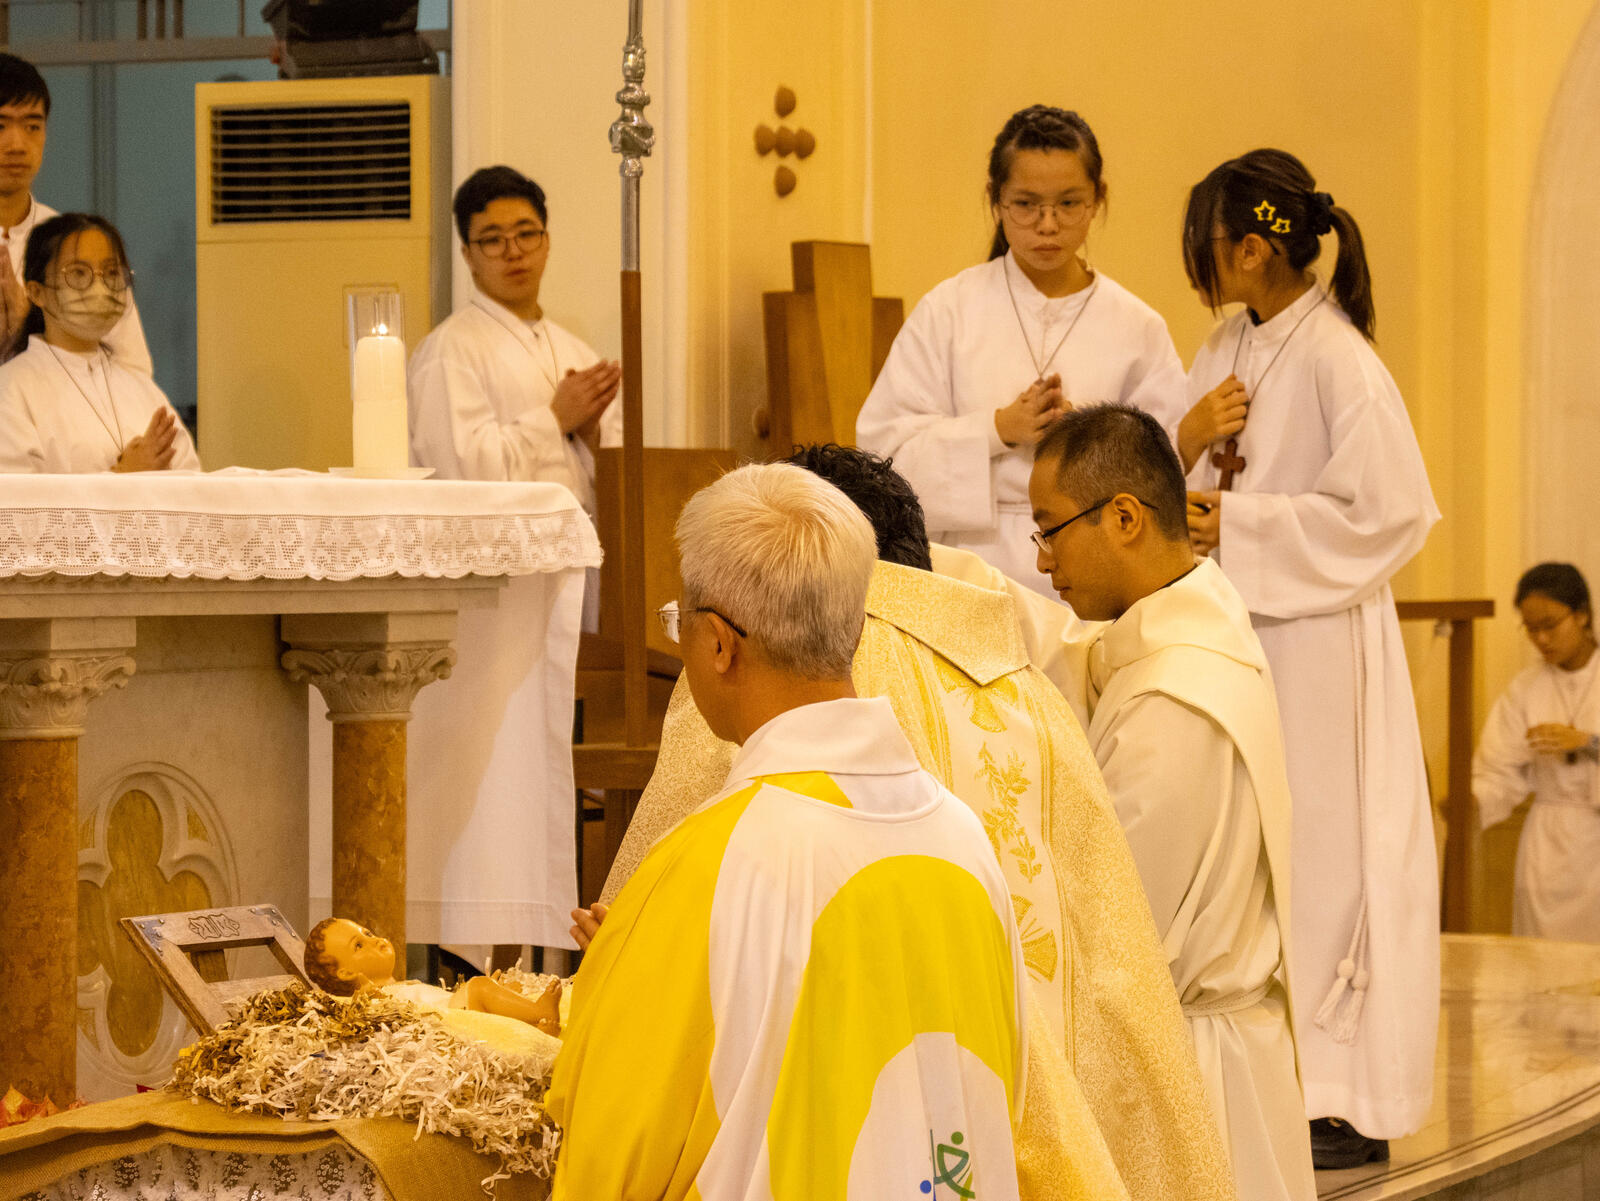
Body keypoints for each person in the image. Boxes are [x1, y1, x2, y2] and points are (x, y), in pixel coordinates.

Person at [589, 444, 1235, 1201]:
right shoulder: (1026, 693)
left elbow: (640, 1065)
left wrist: (621, 952)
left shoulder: (771, 671)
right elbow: (1113, 966)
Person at [546, 464, 1028, 1200]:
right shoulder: (964, 838)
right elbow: (996, 1091)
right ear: (855, 631)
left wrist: (624, 973)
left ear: (719, 644)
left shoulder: (708, 863)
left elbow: (610, 1161)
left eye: (680, 623)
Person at [1179, 149, 1440, 1168]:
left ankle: (1339, 1092)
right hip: (1238, 631)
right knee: (1253, 852)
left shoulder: (1338, 358)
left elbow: (1390, 511)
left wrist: (1237, 524)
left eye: (1207, 243)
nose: (1198, 263)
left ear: (1253, 247)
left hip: (1321, 643)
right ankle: (1265, 1077)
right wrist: (1189, 438)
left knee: (1325, 855)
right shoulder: (1224, 345)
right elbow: (1179, 480)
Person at [1020, 403, 1312, 1201]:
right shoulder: (1192, 631)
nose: (1043, 561)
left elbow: (1115, 921)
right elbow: (1061, 645)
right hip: (1210, 1050)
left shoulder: (1174, 700)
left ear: (1124, 517)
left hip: (1193, 1078)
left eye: (1049, 530)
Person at [855, 104, 1187, 593]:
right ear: (996, 199)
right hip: (967, 570)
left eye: (1069, 203)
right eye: (1026, 204)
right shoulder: (948, 310)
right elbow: (883, 458)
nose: (1047, 225)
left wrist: (1089, 440)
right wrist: (997, 430)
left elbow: (1164, 470)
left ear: (1098, 198)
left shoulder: (1138, 327)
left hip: (1095, 574)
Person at [407, 164, 621, 512]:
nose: (514, 251)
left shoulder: (578, 353)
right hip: (499, 546)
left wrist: (589, 436)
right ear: (468, 255)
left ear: (546, 242)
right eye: (493, 240)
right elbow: (461, 479)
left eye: (526, 234)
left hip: (578, 543)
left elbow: (621, 485)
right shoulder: (449, 350)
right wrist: (555, 419)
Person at [0, 212, 197, 473]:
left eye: (111, 273)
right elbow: (15, 495)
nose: (100, 288)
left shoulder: (142, 389)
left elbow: (192, 482)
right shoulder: (11, 388)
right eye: (78, 274)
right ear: (37, 292)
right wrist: (121, 476)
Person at [0, 53, 151, 371]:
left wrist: (32, 335)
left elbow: (132, 371)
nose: (17, 145)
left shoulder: (77, 246)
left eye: (32, 126)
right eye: (0, 126)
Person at [1474, 563, 1600, 942]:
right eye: (1531, 629)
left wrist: (1589, 742)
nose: (1541, 639)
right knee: (1541, 956)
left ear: (1582, 615)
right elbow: (1498, 770)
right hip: (1547, 846)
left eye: (1550, 625)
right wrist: (1472, 804)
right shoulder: (1526, 688)